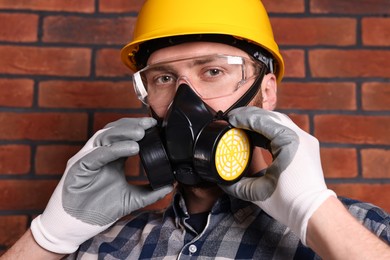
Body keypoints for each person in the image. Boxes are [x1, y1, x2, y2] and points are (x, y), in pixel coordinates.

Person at [2, 0, 390, 259]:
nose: (186, 99)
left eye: (214, 71)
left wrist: (315, 212)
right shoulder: (105, 247)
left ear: (266, 91)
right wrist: (49, 238)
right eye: (164, 78)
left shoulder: (361, 231)